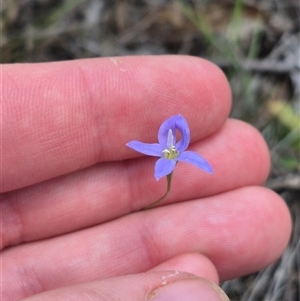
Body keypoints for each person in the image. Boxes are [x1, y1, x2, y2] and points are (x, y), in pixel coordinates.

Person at [1, 55, 291, 301]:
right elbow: (145, 148)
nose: (171, 147)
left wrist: (169, 159)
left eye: (175, 146)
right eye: (170, 146)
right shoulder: (162, 155)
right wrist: (162, 159)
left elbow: (187, 156)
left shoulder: (179, 156)